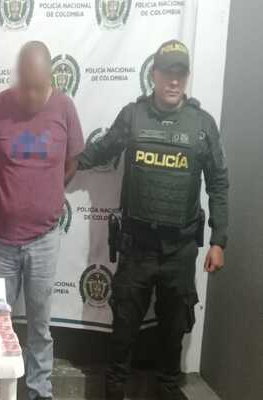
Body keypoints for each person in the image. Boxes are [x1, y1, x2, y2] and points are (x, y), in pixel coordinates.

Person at [77, 40, 229, 400]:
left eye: (180, 73)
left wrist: (219, 240)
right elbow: (102, 149)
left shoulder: (202, 125)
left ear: (186, 77)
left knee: (172, 337)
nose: (173, 81)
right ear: (154, 74)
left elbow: (219, 183)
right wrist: (62, 163)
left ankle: (166, 391)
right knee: (123, 335)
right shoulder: (133, 116)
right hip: (137, 247)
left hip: (180, 251)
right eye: (167, 72)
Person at [0, 41, 84, 400]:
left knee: (40, 324)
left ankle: (39, 390)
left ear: (51, 80)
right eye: (25, 86)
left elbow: (72, 161)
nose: (30, 95)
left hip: (44, 239)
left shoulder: (65, 108)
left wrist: (47, 193)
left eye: (38, 88)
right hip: (1, 240)